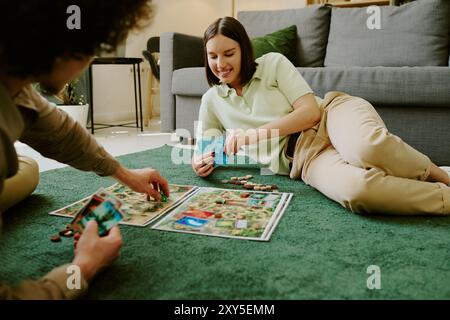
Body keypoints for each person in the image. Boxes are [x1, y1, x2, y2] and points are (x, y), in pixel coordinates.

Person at [192, 16, 450, 215]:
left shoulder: (273, 63)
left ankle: (442, 177)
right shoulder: (211, 101)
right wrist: (200, 162)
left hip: (332, 115)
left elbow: (311, 113)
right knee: (357, 191)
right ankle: (443, 199)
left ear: (244, 50)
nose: (220, 64)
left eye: (229, 54)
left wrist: (253, 135)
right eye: (212, 56)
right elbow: (205, 148)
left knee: (367, 148)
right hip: (305, 160)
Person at [0, 0, 170, 299]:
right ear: (65, 43)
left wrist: (125, 175)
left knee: (28, 171)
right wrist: (83, 268)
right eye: (96, 45)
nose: (91, 59)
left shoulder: (14, 77)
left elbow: (61, 133)